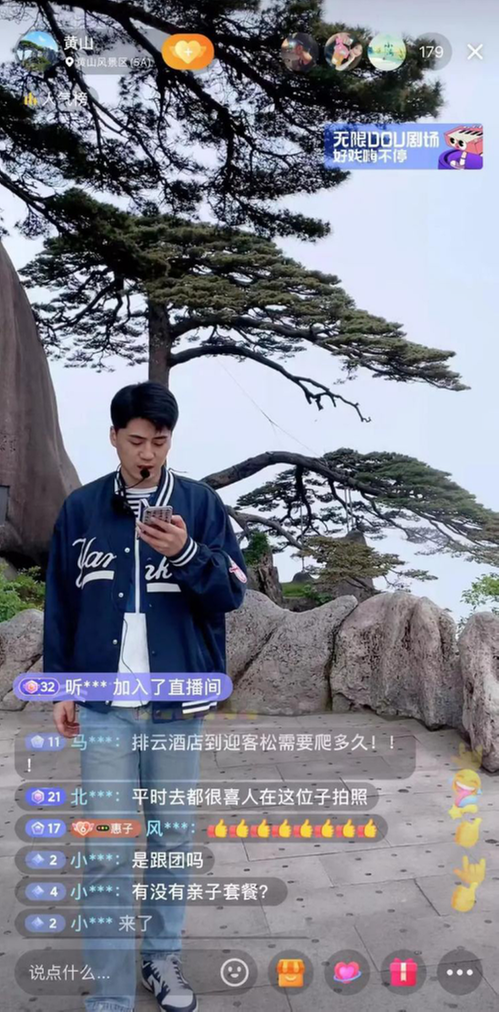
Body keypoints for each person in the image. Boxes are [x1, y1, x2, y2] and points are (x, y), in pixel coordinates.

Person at [44, 382, 247, 1012]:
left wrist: (185, 552)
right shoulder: (81, 509)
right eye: (136, 440)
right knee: (107, 848)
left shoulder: (201, 504)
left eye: (160, 441)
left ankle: (161, 959)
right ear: (113, 437)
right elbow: (61, 601)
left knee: (171, 838)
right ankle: (109, 990)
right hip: (103, 706)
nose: (148, 453)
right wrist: (62, 683)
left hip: (175, 706)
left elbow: (231, 593)